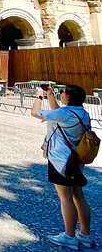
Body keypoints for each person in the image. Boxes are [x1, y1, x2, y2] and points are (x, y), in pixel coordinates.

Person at [32, 84, 95, 250]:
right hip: (75, 160)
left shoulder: (64, 114)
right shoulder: (81, 113)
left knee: (65, 198)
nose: (62, 94)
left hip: (60, 160)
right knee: (78, 197)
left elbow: (34, 113)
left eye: (63, 93)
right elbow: (57, 112)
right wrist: (50, 95)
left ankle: (69, 236)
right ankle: (85, 235)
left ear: (68, 97)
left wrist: (39, 96)